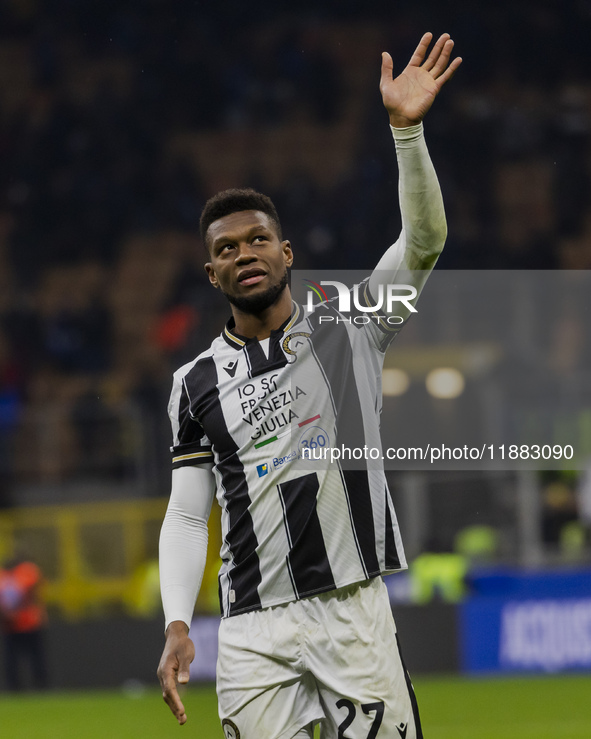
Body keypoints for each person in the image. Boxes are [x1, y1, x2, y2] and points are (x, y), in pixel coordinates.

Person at [158, 32, 461, 738]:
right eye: (226, 249)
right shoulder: (192, 383)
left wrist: (406, 133)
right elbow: (184, 515)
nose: (244, 254)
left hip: (352, 611)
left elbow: (421, 244)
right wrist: (177, 618)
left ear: (285, 251)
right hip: (251, 631)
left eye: (257, 239)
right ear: (213, 275)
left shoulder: (352, 325)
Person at [0, 554, 49, 691]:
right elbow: (32, 594)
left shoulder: (24, 572)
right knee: (16, 658)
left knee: (33, 657)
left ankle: (38, 685)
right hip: (15, 623)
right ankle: (18, 687)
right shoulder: (24, 572)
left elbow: (32, 593)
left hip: (25, 622)